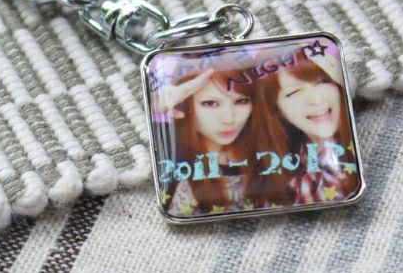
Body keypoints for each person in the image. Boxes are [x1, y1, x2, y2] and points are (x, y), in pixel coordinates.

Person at [151, 54, 265, 217]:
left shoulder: (266, 147)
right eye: (211, 103)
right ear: (185, 104)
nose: (229, 119)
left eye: (241, 101)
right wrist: (156, 101)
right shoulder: (171, 155)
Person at [255, 46, 360, 206]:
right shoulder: (293, 163)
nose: (316, 100)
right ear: (277, 110)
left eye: (322, 82)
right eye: (294, 92)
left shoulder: (346, 158)